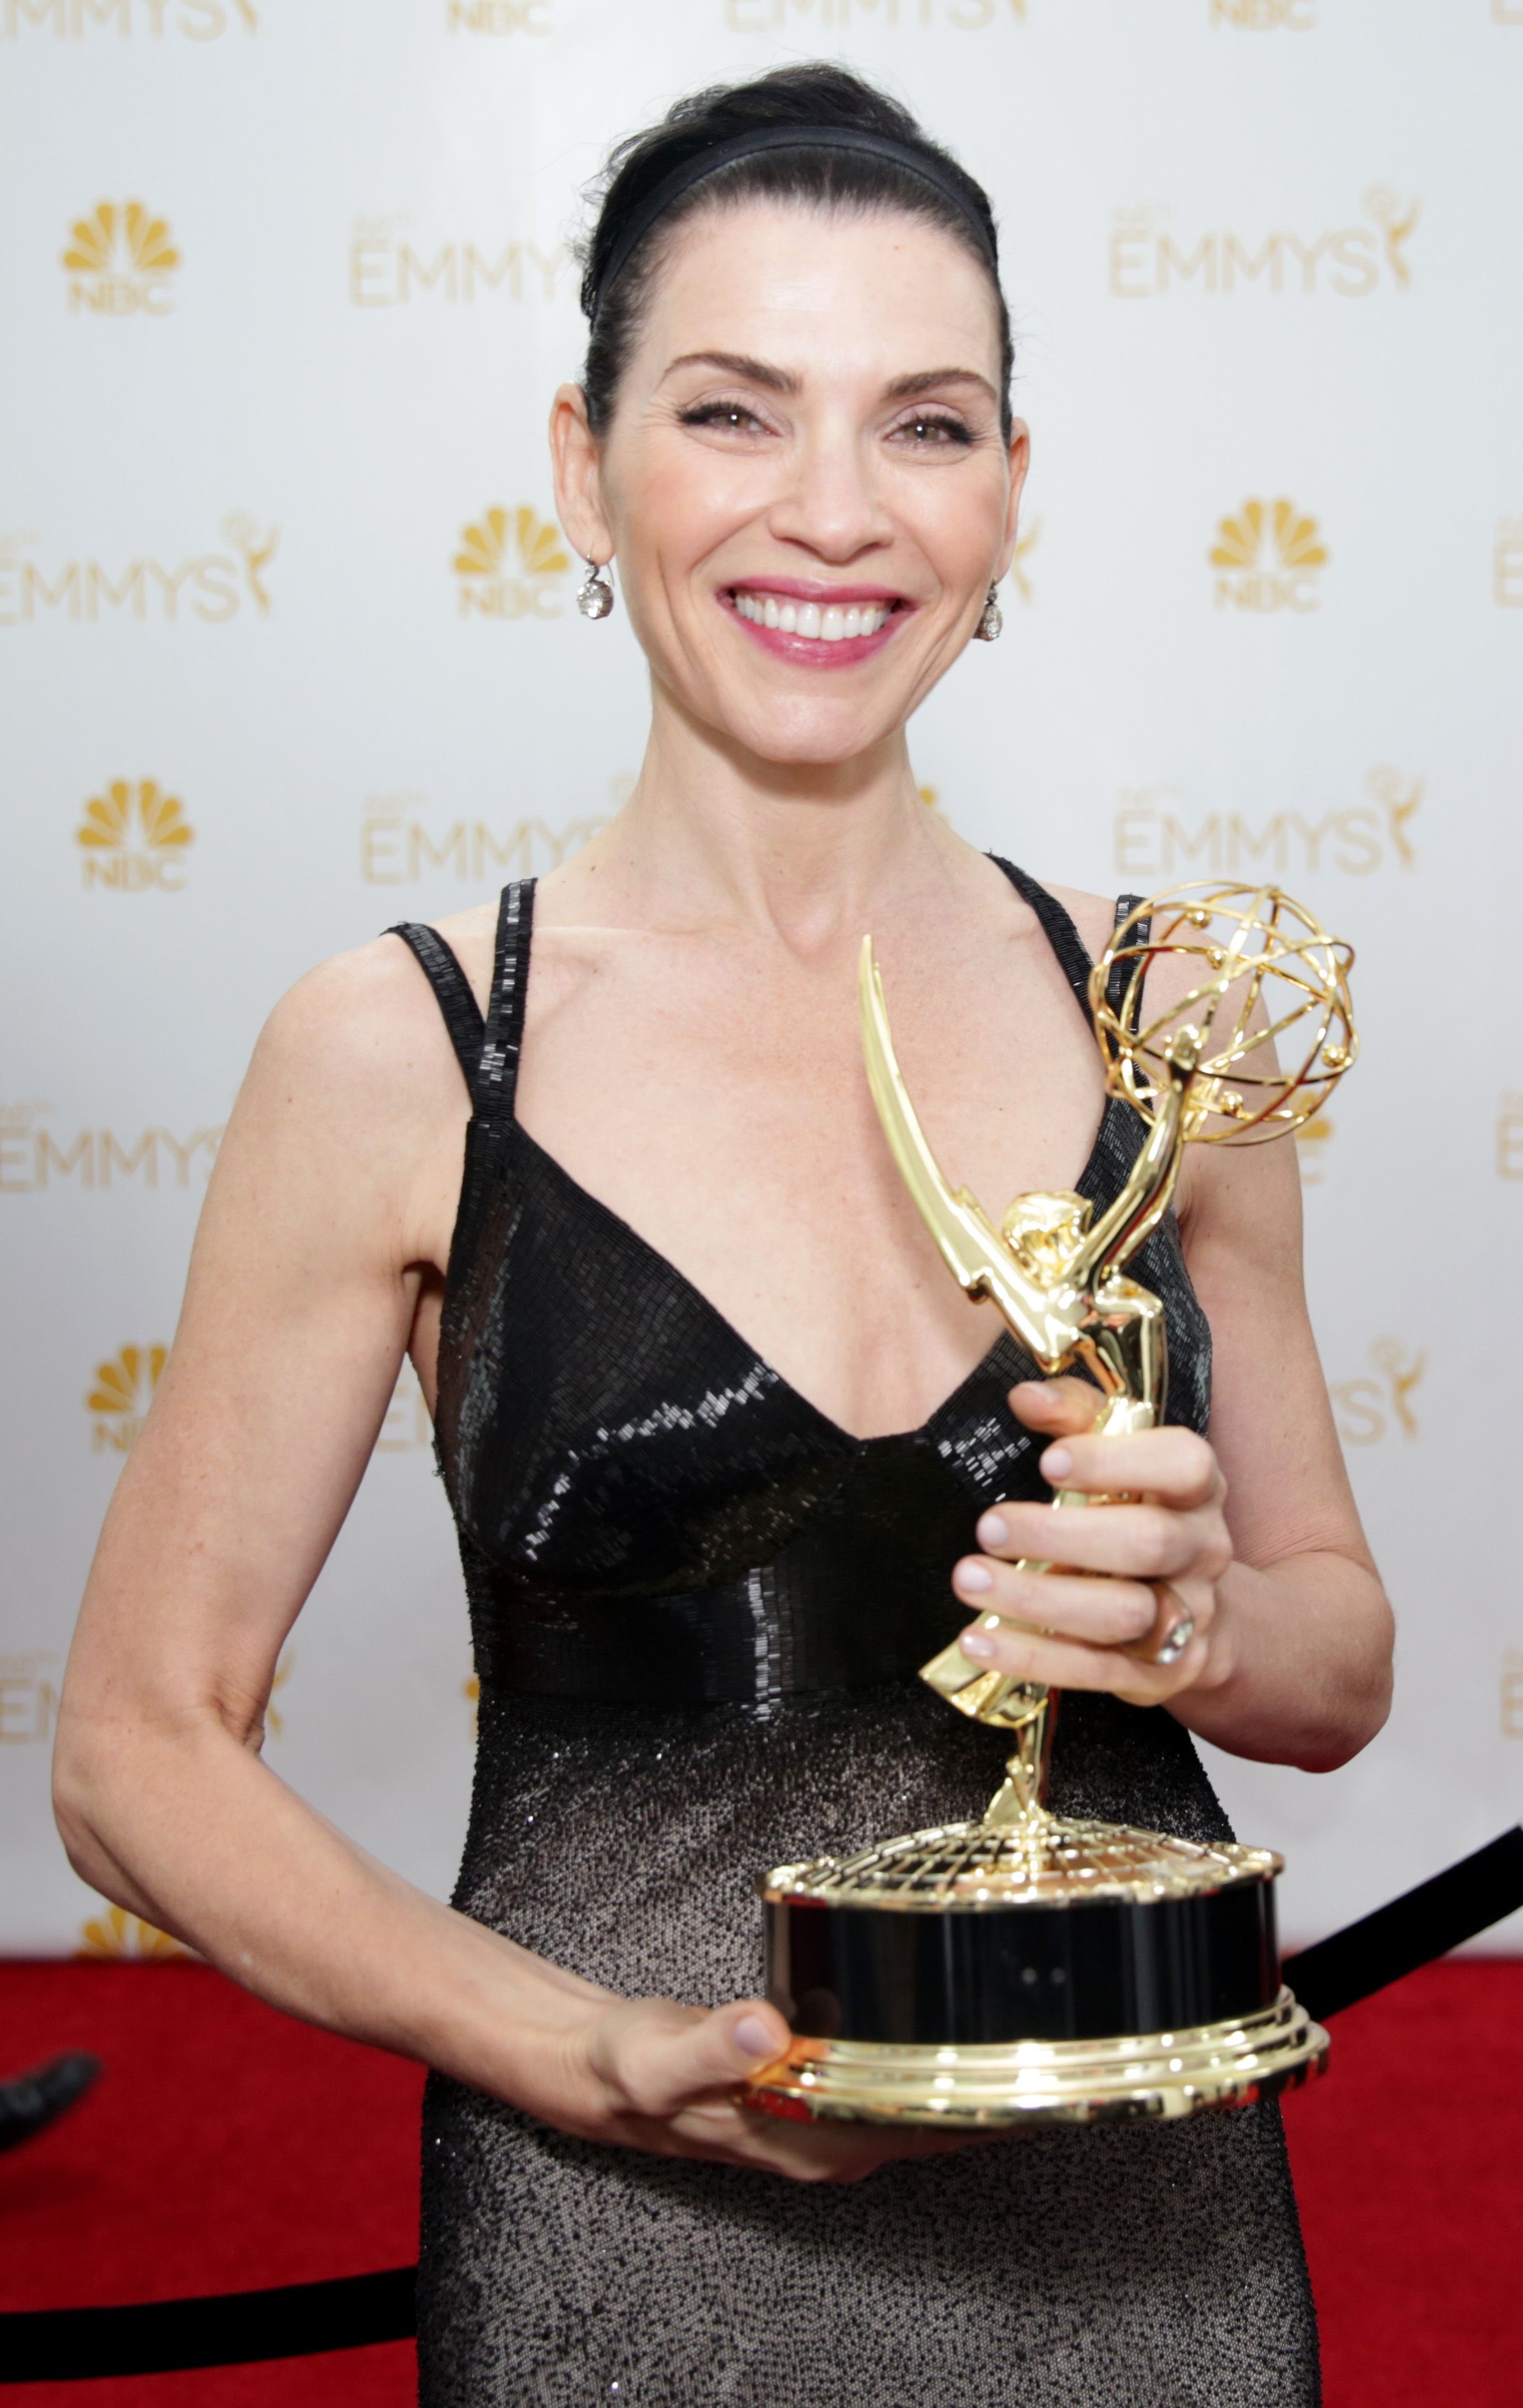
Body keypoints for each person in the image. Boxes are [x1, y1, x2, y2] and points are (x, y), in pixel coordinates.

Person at [53, 63, 1394, 2406]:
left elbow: (1337, 1665)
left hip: (1137, 2227)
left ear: (1010, 491)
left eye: (929, 423)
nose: (837, 514)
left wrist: (1185, 1616)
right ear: (582, 464)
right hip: (621, 2236)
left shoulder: (1170, 1016)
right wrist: (590, 2059)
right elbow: (139, 1748)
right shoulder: (399, 1052)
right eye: (734, 410)